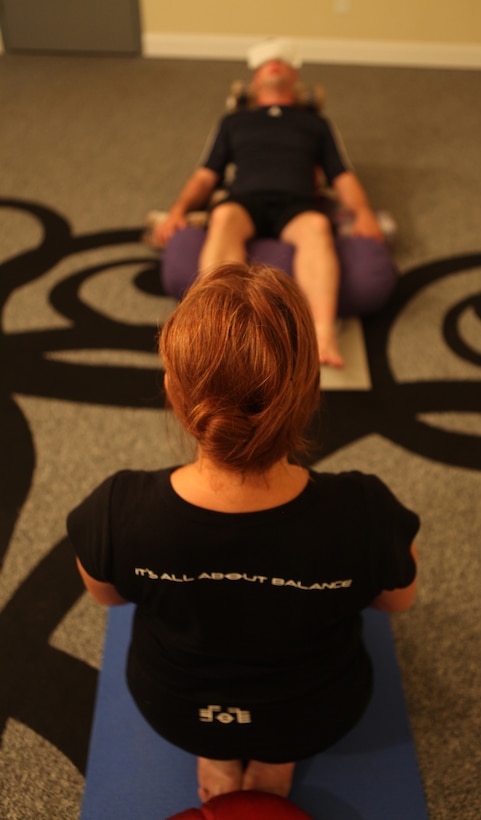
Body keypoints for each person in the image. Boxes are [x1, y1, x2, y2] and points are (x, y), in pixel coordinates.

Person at [67, 262, 419, 804]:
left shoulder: (116, 508)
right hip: (315, 715)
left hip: (179, 712)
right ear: (310, 389)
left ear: (175, 393)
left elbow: (106, 596)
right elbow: (396, 603)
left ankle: (218, 751)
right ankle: (278, 759)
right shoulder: (366, 512)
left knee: (210, 724)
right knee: (286, 728)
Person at [153, 37, 385, 368]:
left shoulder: (314, 124)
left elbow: (342, 176)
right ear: (254, 81)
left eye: (283, 62)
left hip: (298, 204)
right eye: (265, 63)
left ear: (295, 79)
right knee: (223, 219)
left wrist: (364, 214)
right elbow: (206, 175)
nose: (274, 63)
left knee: (318, 226)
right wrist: (178, 211)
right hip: (245, 201)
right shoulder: (234, 121)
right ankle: (218, 328)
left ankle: (321, 337)